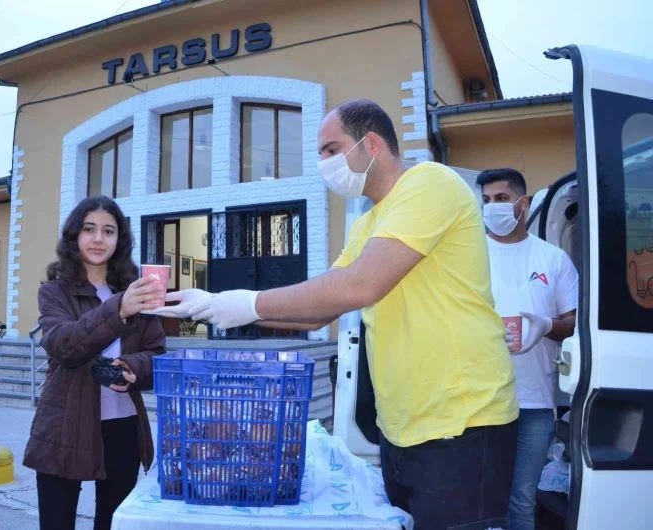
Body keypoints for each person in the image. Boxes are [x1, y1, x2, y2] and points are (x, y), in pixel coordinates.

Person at [154, 98, 520, 529]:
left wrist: (249, 303)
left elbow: (360, 284)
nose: (323, 163)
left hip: (462, 424)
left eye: (331, 149)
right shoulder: (368, 221)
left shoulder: (430, 184)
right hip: (402, 428)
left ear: (372, 144)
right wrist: (220, 305)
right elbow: (319, 309)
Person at [24, 195, 166, 530]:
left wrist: (133, 366)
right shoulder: (55, 292)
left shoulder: (138, 291)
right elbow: (63, 345)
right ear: (75, 235)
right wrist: (118, 309)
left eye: (109, 231)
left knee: (113, 524)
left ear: (120, 239)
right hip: (65, 424)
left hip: (123, 428)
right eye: (89, 229)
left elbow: (157, 354)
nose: (99, 238)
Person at [477, 168, 578, 530]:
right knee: (482, 503)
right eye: (486, 201)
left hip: (534, 404)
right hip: (478, 403)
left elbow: (574, 323)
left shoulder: (553, 260)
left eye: (501, 199)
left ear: (524, 203)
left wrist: (547, 326)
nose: (492, 208)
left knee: (521, 502)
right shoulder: (470, 258)